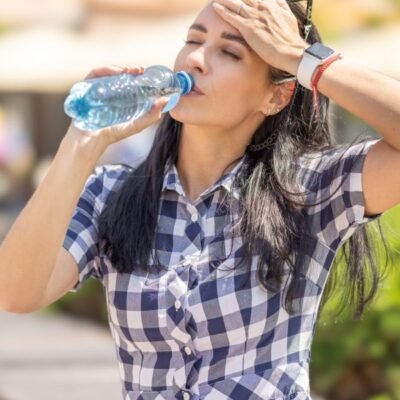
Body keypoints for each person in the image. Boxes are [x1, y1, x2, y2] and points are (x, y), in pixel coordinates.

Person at [1, 0, 399, 398]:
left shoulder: (309, 189)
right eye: (193, 40)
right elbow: (15, 292)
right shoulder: (112, 194)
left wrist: (300, 57)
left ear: (277, 96)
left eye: (229, 52)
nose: (195, 60)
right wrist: (81, 143)